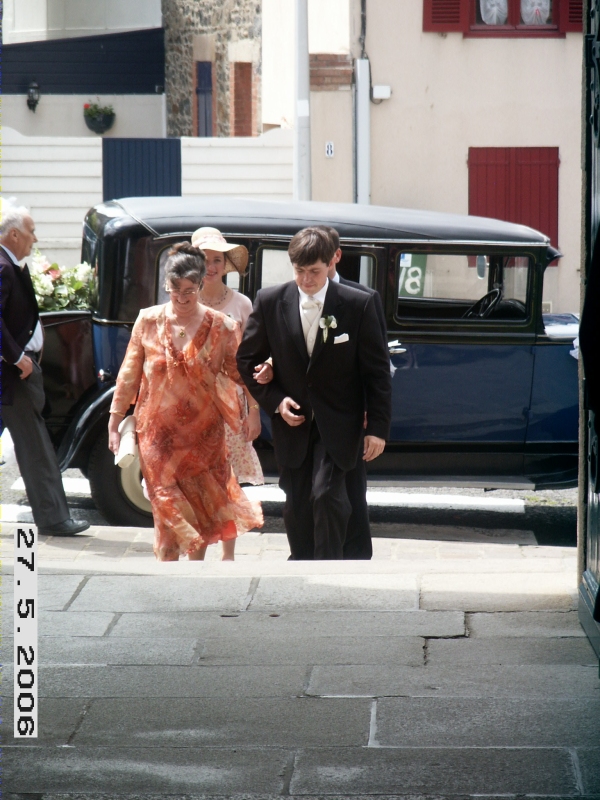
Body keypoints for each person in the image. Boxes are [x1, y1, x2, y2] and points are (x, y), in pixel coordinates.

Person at [237, 226, 392, 560]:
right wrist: (275, 401)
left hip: (341, 423)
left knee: (327, 495)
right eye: (300, 271)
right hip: (292, 425)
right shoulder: (270, 300)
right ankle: (302, 564)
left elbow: (377, 373)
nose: (306, 280)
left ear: (331, 263)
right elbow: (246, 360)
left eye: (314, 272)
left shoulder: (359, 303)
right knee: (297, 503)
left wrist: (378, 429)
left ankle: (328, 567)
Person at [108, 242, 262, 562]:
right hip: (157, 434)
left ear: (201, 284)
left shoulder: (222, 327)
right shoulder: (148, 321)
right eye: (174, 289)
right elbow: (129, 374)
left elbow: (240, 374)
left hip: (204, 436)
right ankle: (169, 566)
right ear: (167, 285)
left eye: (189, 291)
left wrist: (254, 412)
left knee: (199, 505)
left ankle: (192, 574)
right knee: (164, 500)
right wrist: (115, 420)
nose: (181, 298)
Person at [0, 198, 89, 536]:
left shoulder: (9, 265)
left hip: (16, 372)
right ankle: (53, 519)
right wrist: (17, 357)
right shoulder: (3, 267)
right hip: (13, 374)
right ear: (13, 235)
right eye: (31, 232)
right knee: (36, 448)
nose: (35, 239)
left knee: (35, 446)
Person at [190, 227, 263, 485]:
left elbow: (250, 360)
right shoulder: (184, 301)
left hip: (232, 401)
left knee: (228, 481)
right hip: (192, 401)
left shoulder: (242, 304)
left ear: (225, 264)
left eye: (217, 260)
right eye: (204, 260)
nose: (210, 267)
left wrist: (254, 411)